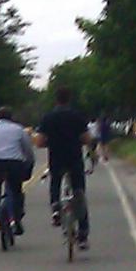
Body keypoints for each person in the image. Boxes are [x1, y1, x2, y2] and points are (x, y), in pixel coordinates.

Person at [34, 85, 93, 248]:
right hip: (74, 158)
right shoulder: (77, 116)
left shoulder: (48, 117)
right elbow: (88, 138)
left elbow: (39, 142)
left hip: (56, 158)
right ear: (69, 99)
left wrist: (49, 142)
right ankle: (83, 235)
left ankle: (55, 207)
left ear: (56, 99)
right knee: (79, 194)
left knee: (55, 182)